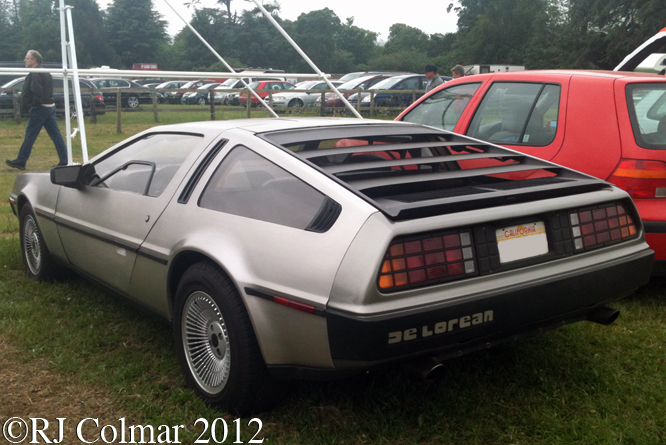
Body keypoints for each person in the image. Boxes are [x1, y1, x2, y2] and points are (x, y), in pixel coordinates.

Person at [6, 50, 67, 170]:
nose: (25, 60)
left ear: (34, 60)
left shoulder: (35, 73)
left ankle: (21, 161)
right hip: (50, 107)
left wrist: (32, 105)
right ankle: (65, 159)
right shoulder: (45, 72)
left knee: (30, 136)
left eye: (27, 58)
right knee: (56, 136)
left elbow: (36, 91)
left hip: (40, 109)